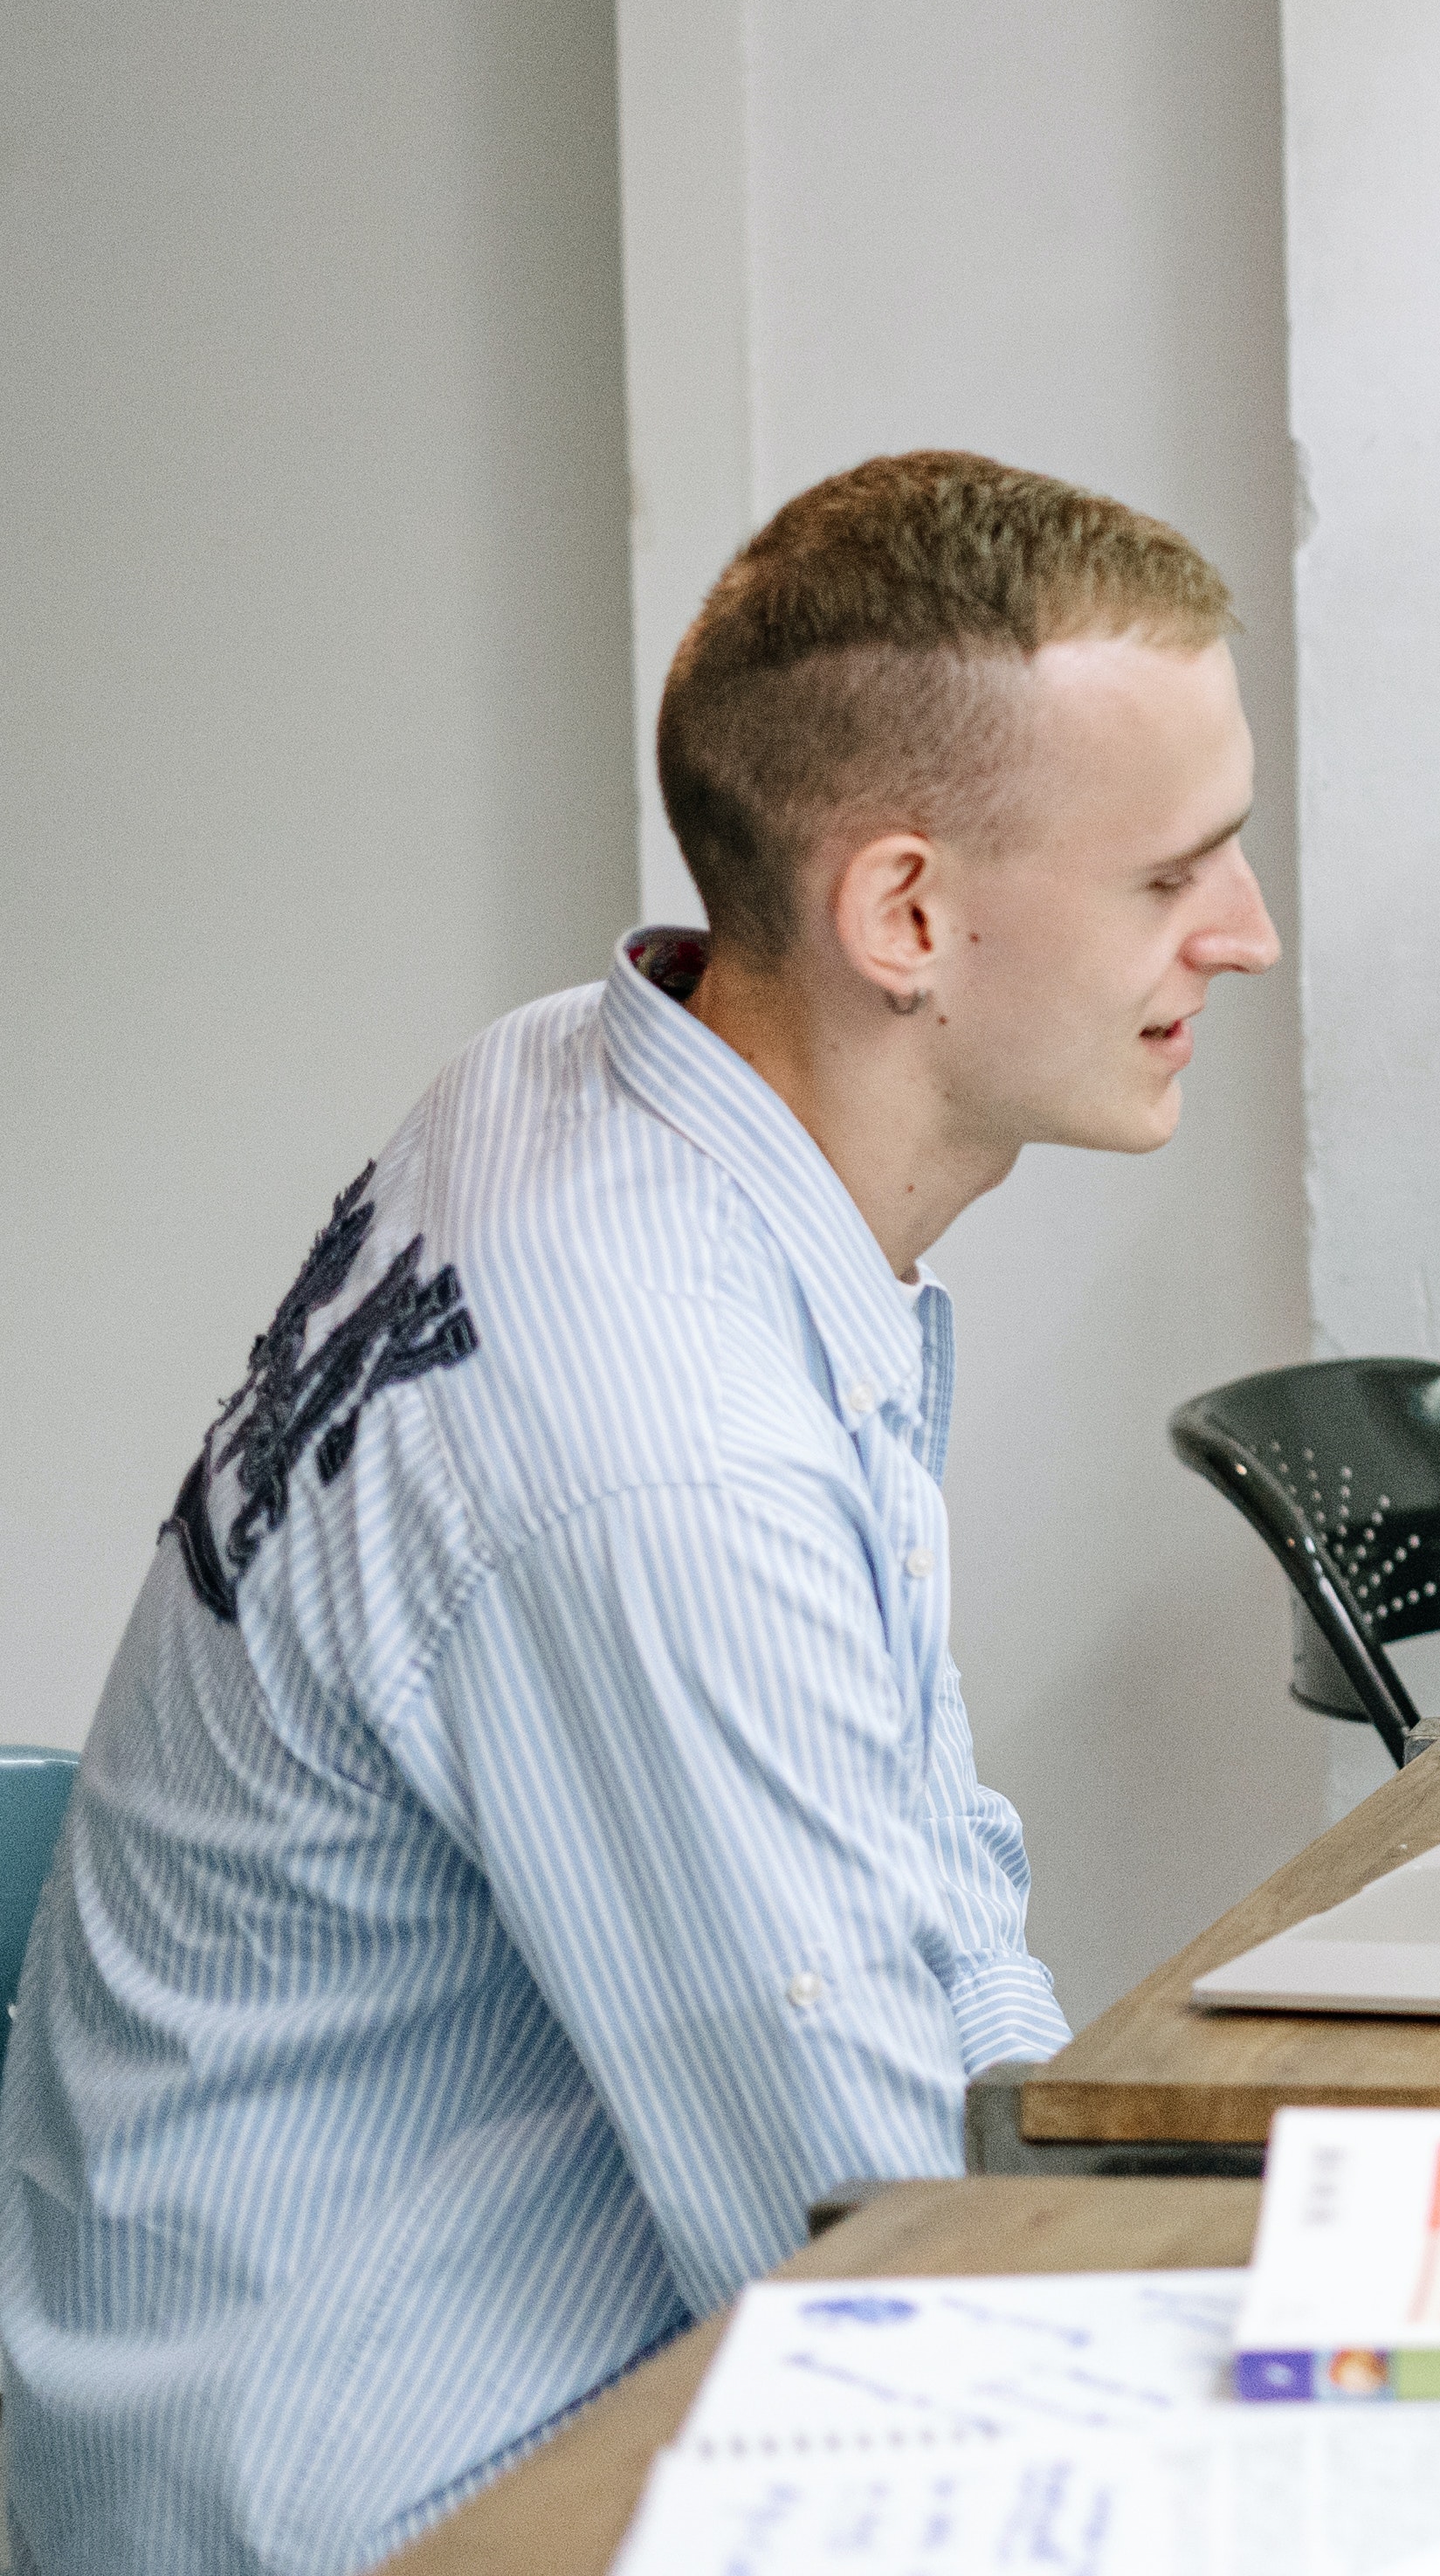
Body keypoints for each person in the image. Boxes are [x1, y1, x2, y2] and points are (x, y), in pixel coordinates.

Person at [0, 454, 1283, 2576]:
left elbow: (918, 1900)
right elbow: (879, 2269)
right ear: (903, 915)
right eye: (1175, 873)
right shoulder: (656, 1442)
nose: (1243, 930)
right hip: (385, 2492)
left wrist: (1144, 2239)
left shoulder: (579, 1077)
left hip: (380, 2376)